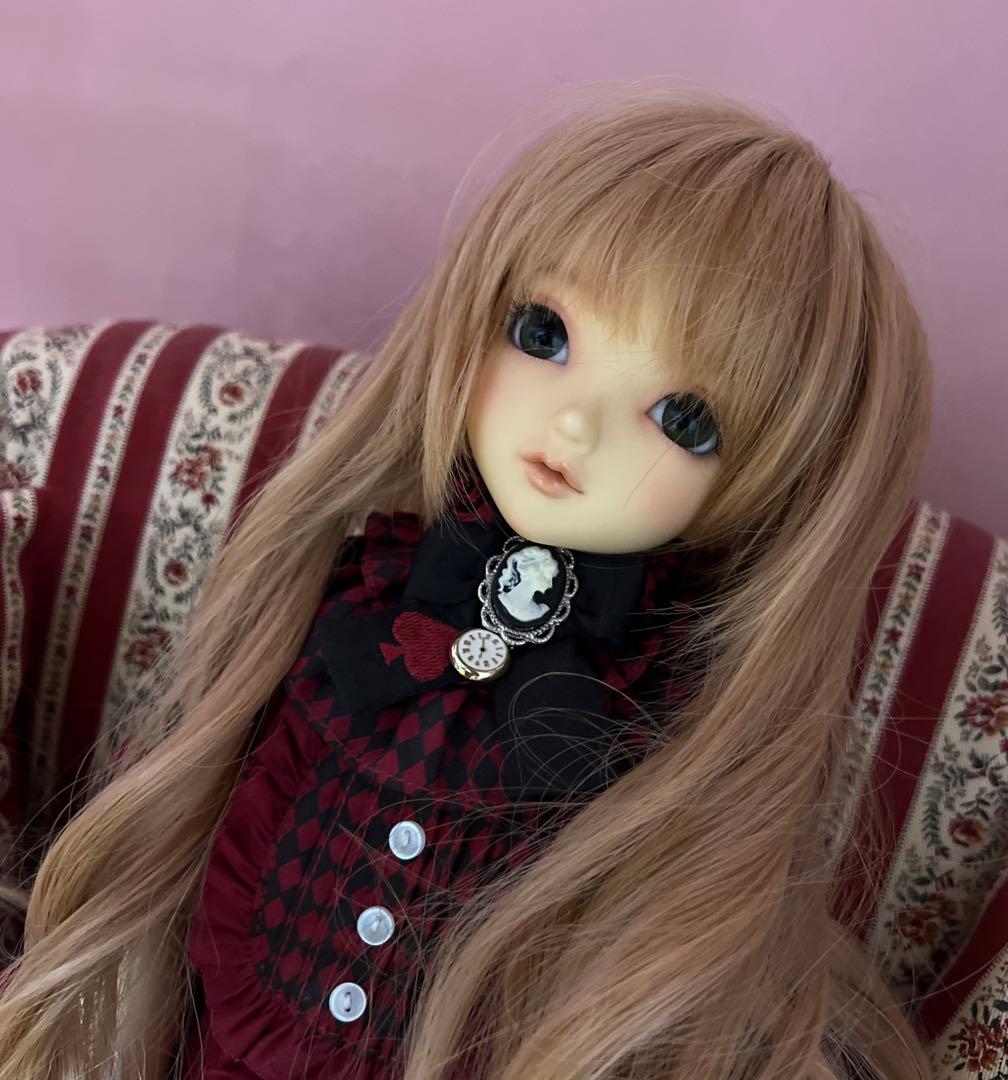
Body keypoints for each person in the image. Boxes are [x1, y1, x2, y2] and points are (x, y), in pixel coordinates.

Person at [0, 85, 940, 1077]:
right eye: (542, 334)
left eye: (684, 419)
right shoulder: (363, 597)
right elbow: (217, 815)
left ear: (777, 489)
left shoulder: (657, 725)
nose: (574, 425)